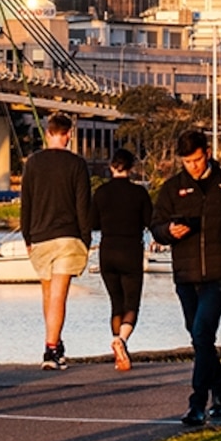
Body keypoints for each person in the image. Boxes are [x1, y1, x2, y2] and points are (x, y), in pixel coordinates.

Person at [152, 128, 221, 427]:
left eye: (198, 159)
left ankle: (196, 403)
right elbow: (156, 225)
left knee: (202, 333)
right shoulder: (172, 188)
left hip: (219, 274)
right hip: (185, 275)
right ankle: (220, 393)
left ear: (208, 153)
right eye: (188, 162)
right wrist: (168, 232)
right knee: (199, 337)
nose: (194, 166)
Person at [19, 112, 95, 368]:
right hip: (68, 236)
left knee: (48, 294)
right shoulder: (77, 164)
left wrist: (27, 236)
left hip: (40, 236)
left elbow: (26, 203)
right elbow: (83, 205)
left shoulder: (32, 163)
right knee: (59, 296)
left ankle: (54, 342)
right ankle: (51, 350)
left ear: (48, 133)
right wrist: (86, 238)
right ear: (68, 135)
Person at [93, 146, 154, 369]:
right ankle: (121, 340)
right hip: (131, 250)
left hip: (107, 250)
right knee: (132, 304)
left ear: (111, 167)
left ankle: (120, 354)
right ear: (132, 169)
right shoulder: (139, 193)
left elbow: (93, 223)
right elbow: (151, 221)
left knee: (116, 303)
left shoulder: (101, 193)